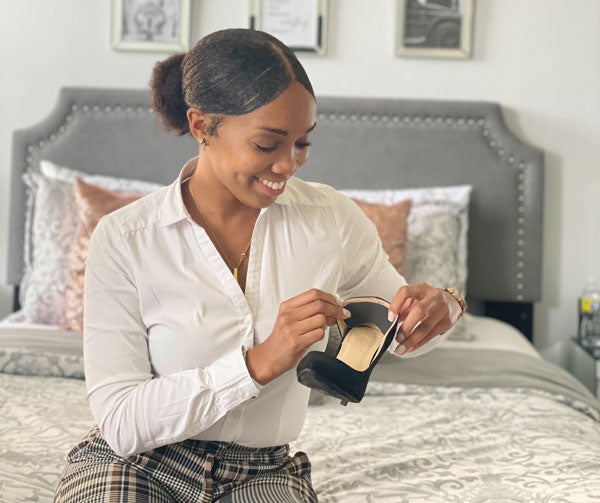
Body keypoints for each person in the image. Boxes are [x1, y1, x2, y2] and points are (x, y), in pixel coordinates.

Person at [54, 28, 464, 503]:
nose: (289, 165)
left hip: (262, 472)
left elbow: (400, 334)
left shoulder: (331, 220)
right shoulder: (125, 239)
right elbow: (122, 423)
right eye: (268, 146)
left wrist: (444, 307)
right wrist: (259, 363)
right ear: (202, 126)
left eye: (303, 144)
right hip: (137, 464)